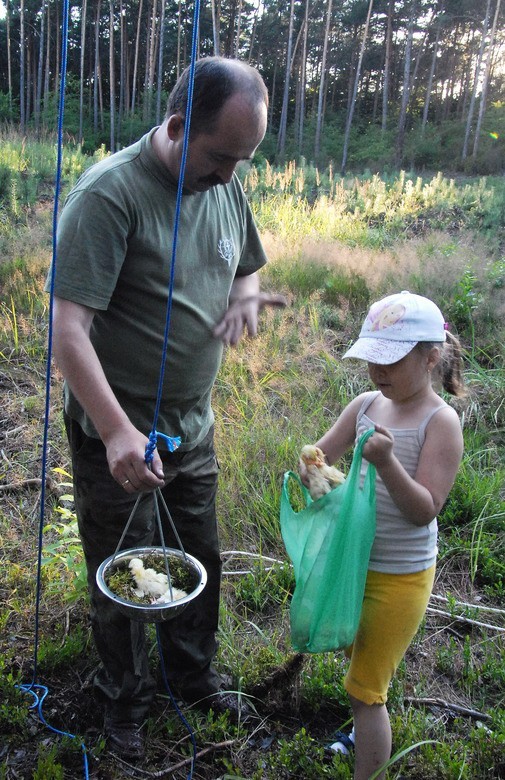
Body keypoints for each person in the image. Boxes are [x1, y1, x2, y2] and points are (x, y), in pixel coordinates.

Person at [48, 57, 285, 759]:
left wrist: (244, 298)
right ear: (179, 128)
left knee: (194, 557)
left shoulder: (222, 180)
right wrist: (117, 432)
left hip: (192, 426)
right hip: (118, 434)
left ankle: (192, 678)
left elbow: (245, 260)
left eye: (245, 160)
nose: (231, 176)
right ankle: (124, 697)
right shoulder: (109, 196)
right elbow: (67, 331)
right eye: (221, 158)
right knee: (125, 572)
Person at [299, 290, 465, 780]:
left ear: (431, 357)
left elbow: (424, 510)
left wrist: (386, 461)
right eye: (372, 357)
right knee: (357, 656)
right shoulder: (366, 403)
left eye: (390, 360)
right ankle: (361, 732)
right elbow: (324, 455)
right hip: (355, 561)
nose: (377, 372)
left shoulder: (442, 423)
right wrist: (311, 467)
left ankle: (367, 763)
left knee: (364, 689)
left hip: (400, 577)